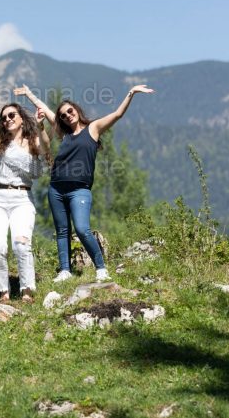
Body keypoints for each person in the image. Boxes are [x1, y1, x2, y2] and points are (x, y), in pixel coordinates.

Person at [14, 84, 154, 282]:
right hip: (56, 188)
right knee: (62, 231)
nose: (67, 116)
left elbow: (117, 114)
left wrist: (131, 92)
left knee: (82, 229)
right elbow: (44, 108)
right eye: (63, 115)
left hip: (79, 190)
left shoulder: (93, 129)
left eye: (70, 111)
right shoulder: (64, 134)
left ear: (77, 110)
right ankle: (65, 271)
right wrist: (29, 94)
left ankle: (101, 268)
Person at [0, 104, 50, 303]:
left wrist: (41, 126)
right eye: (4, 118)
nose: (8, 119)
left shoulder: (33, 140)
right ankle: (2, 292)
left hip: (22, 198)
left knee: (21, 245)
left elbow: (46, 149)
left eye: (12, 115)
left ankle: (27, 291)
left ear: (21, 118)